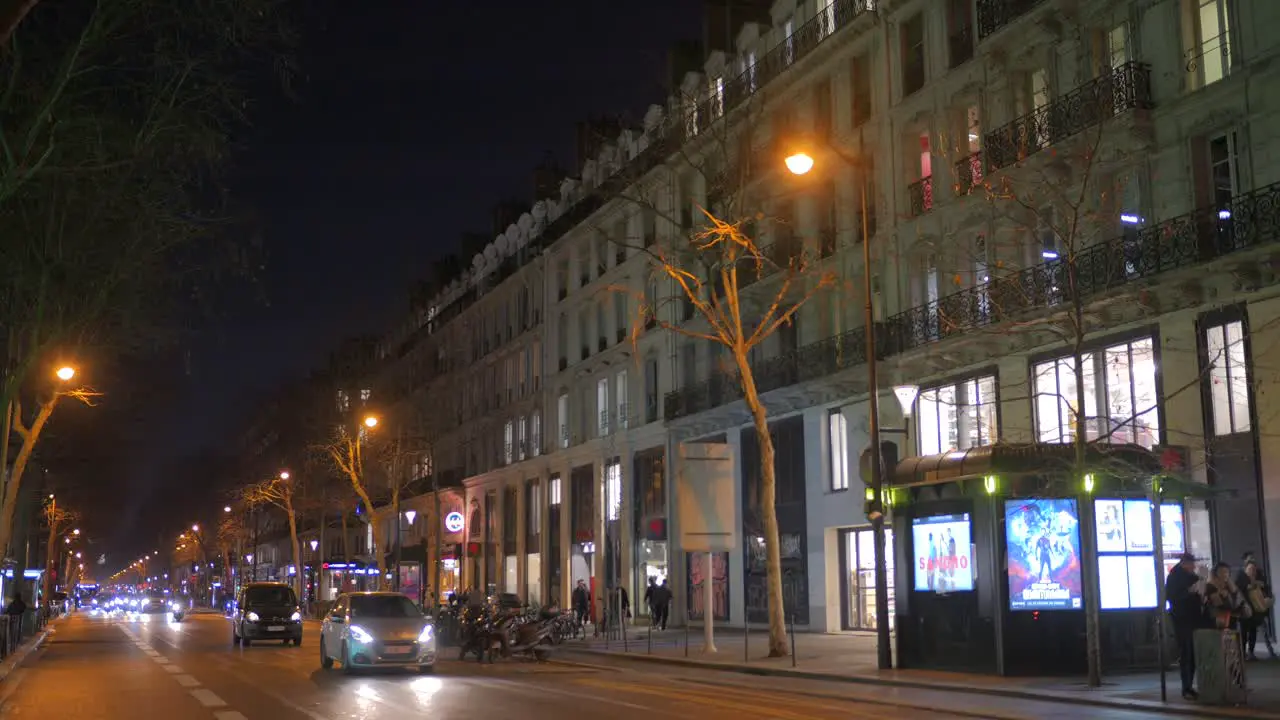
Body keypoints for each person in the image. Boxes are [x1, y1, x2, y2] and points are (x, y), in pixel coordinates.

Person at [1165, 552, 1205, 701]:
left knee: (1192, 653)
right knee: (1187, 653)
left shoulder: (1189, 576)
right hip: (1182, 619)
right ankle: (1186, 687)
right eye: (1191, 564)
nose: (1193, 567)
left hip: (1192, 618)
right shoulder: (1175, 577)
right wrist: (1189, 592)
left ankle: (1189, 687)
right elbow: (1170, 596)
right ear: (1184, 563)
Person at [1240, 559, 1276, 660]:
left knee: (1254, 631)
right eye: (1250, 569)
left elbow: (1268, 591)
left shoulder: (1260, 578)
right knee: (1243, 633)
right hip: (1245, 611)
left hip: (1258, 611)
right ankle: (1243, 653)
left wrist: (1268, 598)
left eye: (1254, 569)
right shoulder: (1241, 578)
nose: (1252, 571)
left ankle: (1252, 652)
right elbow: (1239, 591)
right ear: (1245, 569)